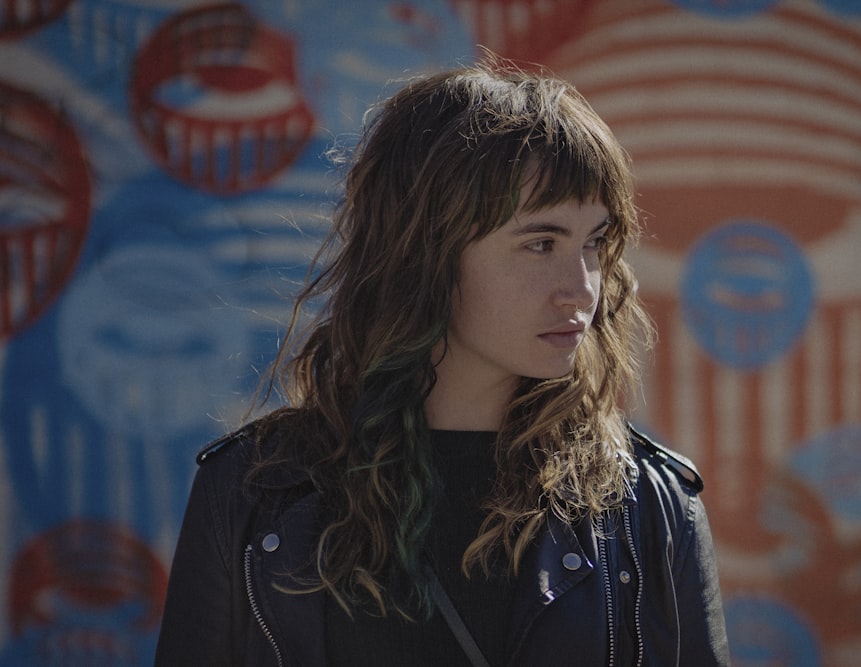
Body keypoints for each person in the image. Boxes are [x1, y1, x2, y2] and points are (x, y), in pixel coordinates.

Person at [154, 57, 730, 666]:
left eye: (594, 243)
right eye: (541, 243)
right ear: (425, 251)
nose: (583, 287)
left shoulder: (648, 505)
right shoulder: (254, 494)